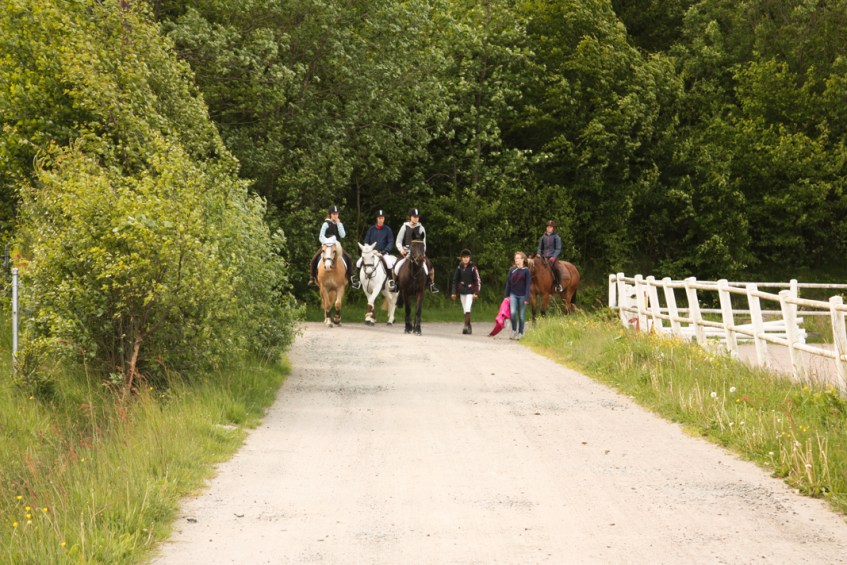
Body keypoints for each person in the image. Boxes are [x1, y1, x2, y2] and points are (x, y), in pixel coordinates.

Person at [308, 205, 360, 289]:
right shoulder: (325, 224)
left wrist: (339, 224)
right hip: (326, 246)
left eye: (337, 214)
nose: (335, 216)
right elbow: (320, 236)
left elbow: (343, 235)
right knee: (314, 258)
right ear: (330, 214)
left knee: (349, 258)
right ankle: (312, 278)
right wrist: (327, 242)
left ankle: (351, 278)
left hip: (336, 246)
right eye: (333, 214)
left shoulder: (339, 224)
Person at [394, 207, 438, 293]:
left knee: (429, 266)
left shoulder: (421, 228)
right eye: (414, 217)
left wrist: (422, 253)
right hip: (406, 252)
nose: (416, 218)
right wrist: (401, 250)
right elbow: (398, 241)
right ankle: (395, 284)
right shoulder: (404, 227)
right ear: (410, 217)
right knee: (396, 266)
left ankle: (431, 284)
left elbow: (424, 243)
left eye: (417, 217)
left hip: (418, 253)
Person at [357, 209, 397, 291]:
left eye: (382, 218)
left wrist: (384, 251)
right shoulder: (371, 229)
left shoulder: (387, 230)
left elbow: (390, 242)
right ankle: (359, 281)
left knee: (389, 263)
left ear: (384, 219)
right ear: (377, 219)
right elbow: (366, 241)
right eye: (379, 218)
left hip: (383, 253)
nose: (380, 220)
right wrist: (368, 250)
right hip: (372, 253)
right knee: (358, 262)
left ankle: (390, 281)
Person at [451, 249, 481, 334]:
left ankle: (465, 326)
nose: (465, 259)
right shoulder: (459, 267)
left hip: (470, 291)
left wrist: (476, 292)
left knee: (467, 308)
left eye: (467, 257)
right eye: (464, 257)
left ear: (469, 258)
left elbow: (477, 281)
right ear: (461, 258)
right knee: (465, 310)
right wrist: (454, 292)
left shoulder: (473, 268)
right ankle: (469, 327)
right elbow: (455, 280)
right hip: (462, 291)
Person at [504, 251, 531, 340]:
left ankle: (521, 333)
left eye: (518, 258)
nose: (516, 260)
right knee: (513, 313)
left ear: (523, 259)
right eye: (515, 258)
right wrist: (506, 296)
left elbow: (528, 285)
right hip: (513, 295)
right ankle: (514, 330)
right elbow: (508, 283)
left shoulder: (526, 271)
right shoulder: (512, 270)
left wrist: (526, 298)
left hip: (522, 296)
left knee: (521, 315)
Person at [537, 219, 563, 292]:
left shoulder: (557, 237)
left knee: (556, 268)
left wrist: (554, 257)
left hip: (553, 257)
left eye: (550, 227)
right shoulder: (543, 237)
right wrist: (538, 254)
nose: (548, 228)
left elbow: (558, 249)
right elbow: (540, 248)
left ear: (553, 228)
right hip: (544, 257)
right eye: (548, 227)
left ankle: (558, 284)